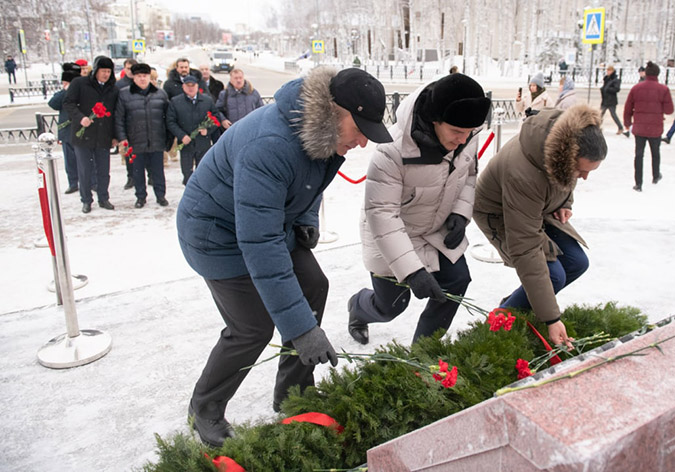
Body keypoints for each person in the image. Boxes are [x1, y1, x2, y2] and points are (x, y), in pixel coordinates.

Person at [176, 67, 392, 447]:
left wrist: (306, 218)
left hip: (268, 223)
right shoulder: (272, 144)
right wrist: (301, 330)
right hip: (214, 234)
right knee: (252, 327)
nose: (362, 143)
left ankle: (293, 394)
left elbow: (308, 181)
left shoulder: (321, 132)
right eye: (359, 130)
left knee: (313, 285)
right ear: (333, 110)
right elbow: (259, 244)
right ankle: (205, 407)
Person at [346, 73, 491, 346]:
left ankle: (422, 353)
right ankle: (358, 307)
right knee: (391, 306)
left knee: (457, 282)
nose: (463, 140)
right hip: (391, 235)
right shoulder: (392, 150)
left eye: (469, 133)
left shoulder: (466, 136)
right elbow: (382, 215)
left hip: (435, 229)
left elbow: (469, 174)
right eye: (456, 132)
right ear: (435, 119)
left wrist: (460, 213)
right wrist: (412, 271)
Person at [473, 104, 606, 350]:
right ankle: (499, 319)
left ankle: (519, 302)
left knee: (577, 262)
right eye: (581, 170)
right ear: (567, 157)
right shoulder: (523, 173)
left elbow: (566, 180)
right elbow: (525, 247)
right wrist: (552, 319)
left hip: (537, 208)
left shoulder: (564, 143)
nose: (583, 177)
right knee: (553, 274)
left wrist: (565, 201)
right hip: (500, 212)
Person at [63, 55, 119, 214]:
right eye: (103, 71)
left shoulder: (112, 89)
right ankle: (86, 200)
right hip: (83, 136)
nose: (106, 74)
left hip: (103, 136)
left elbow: (115, 113)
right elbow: (68, 103)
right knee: (85, 170)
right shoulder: (80, 83)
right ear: (95, 70)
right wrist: (81, 118)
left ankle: (103, 197)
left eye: (109, 71)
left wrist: (114, 136)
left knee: (103, 170)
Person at [114, 62, 170, 208]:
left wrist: (168, 139)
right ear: (134, 78)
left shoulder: (160, 94)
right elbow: (119, 118)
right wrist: (122, 138)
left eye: (145, 76)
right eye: (139, 76)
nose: (142, 79)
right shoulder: (125, 94)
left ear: (149, 77)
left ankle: (161, 196)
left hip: (156, 139)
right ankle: (140, 197)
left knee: (158, 171)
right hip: (135, 141)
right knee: (138, 172)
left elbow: (168, 118)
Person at [623, 61, 674, 192]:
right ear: (658, 74)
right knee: (655, 152)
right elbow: (669, 110)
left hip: (639, 126)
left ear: (646, 73)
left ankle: (638, 183)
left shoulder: (636, 88)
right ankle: (656, 175)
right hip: (655, 127)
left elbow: (628, 107)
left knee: (639, 154)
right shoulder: (663, 89)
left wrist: (627, 123)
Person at [166, 75, 221, 185]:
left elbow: (216, 118)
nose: (191, 88)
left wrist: (208, 130)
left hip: (203, 142)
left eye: (193, 85)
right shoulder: (176, 101)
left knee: (203, 171)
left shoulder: (207, 100)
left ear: (197, 86)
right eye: (188, 86)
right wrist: (182, 135)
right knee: (187, 173)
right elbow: (170, 122)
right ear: (183, 87)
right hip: (186, 143)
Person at [49, 63, 86, 194]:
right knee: (69, 160)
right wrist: (65, 91)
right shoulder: (62, 93)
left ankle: (90, 182)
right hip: (66, 131)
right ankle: (73, 182)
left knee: (85, 159)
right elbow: (53, 104)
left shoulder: (82, 89)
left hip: (81, 130)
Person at [116, 58, 138, 190]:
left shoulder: (141, 82)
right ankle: (131, 177)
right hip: (127, 124)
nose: (130, 71)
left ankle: (151, 176)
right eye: (128, 68)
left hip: (140, 123)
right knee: (129, 154)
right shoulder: (119, 85)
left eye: (132, 68)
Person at [600, 66, 628, 136]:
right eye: (607, 70)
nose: (608, 72)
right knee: (600, 114)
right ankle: (597, 128)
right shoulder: (606, 79)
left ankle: (620, 127)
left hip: (611, 100)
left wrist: (608, 89)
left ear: (612, 71)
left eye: (609, 70)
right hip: (605, 100)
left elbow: (617, 89)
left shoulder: (615, 80)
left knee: (613, 114)